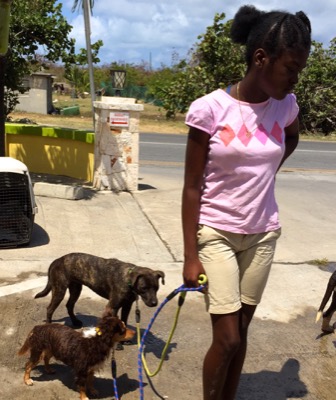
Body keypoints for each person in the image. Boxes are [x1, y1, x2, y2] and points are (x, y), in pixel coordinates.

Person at [181, 5, 311, 400]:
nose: (295, 78)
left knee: (243, 332)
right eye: (290, 68)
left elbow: (291, 139)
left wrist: (266, 173)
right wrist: (190, 256)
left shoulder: (285, 105)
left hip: (262, 235)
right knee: (227, 338)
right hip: (217, 233)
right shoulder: (210, 109)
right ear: (261, 59)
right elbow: (190, 187)